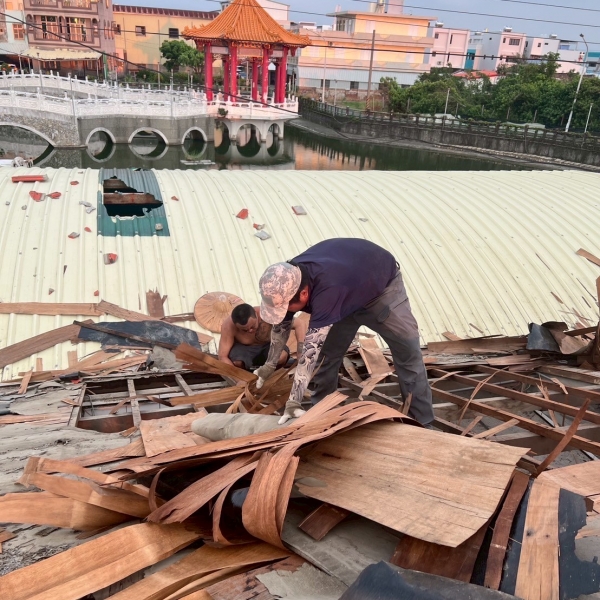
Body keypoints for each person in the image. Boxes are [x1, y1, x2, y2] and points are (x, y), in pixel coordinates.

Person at [254, 238, 434, 426]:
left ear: (304, 294)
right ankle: (322, 416)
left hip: (381, 291)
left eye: (286, 307)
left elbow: (309, 355)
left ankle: (422, 423)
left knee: (409, 354)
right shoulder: (286, 279)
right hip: (345, 288)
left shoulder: (327, 293)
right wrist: (269, 365)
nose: (284, 312)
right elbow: (281, 325)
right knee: (326, 358)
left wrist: (293, 402)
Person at [218, 303, 307, 371]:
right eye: (245, 330)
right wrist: (237, 378)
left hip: (268, 346)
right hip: (245, 350)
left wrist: (300, 351)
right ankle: (246, 377)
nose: (250, 331)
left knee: (281, 356)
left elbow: (299, 324)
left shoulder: (268, 314)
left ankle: (272, 375)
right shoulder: (228, 326)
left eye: (252, 326)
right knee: (237, 363)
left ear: (256, 315)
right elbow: (222, 356)